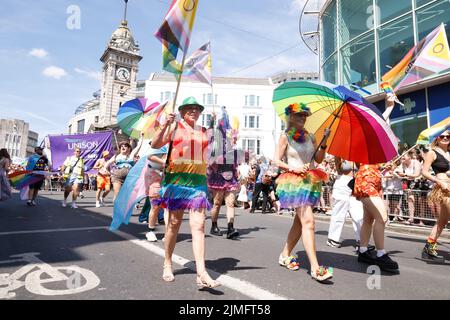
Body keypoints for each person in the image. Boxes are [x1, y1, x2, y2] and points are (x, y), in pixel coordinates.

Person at [152, 97, 220, 288]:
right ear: (182, 112)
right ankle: (167, 262)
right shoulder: (174, 127)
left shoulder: (204, 132)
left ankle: (202, 272)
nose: (193, 111)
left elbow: (212, 153)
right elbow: (155, 144)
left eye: (197, 109)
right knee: (174, 225)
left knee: (198, 226)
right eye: (189, 108)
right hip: (177, 183)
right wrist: (165, 124)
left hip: (198, 184)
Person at [274, 102, 333, 283]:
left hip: (311, 181)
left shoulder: (311, 136)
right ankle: (315, 268)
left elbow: (318, 159)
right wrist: (293, 168)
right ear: (290, 117)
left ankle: (284, 255)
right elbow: (276, 160)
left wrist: (323, 142)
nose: (302, 118)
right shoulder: (285, 137)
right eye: (299, 115)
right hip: (294, 182)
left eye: (304, 115)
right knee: (308, 221)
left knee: (299, 223)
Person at [354, 94, 399, 273]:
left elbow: (379, 124)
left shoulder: (367, 137)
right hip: (366, 180)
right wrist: (388, 108)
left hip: (373, 178)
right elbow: (377, 124)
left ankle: (363, 251)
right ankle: (381, 254)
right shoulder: (360, 134)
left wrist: (389, 108)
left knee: (369, 219)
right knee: (382, 217)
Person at [420, 130, 449, 262]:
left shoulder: (449, 153)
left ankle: (429, 247)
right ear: (437, 138)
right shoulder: (432, 152)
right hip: (444, 189)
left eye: (448, 136)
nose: (445, 138)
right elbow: (424, 172)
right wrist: (439, 181)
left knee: (442, 221)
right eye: (442, 136)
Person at [327, 157, 365, 249]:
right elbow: (339, 169)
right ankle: (332, 238)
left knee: (358, 214)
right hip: (342, 184)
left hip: (354, 184)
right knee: (339, 213)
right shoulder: (339, 155)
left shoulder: (358, 155)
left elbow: (360, 169)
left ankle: (361, 240)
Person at [143, 143, 168, 242]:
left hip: (168, 176)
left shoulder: (176, 142)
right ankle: (151, 231)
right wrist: (163, 161)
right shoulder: (158, 141)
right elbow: (150, 156)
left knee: (168, 207)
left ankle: (168, 233)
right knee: (155, 206)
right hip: (154, 175)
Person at [108, 133, 144, 201]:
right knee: (117, 194)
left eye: (125, 146)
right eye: (121, 146)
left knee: (127, 195)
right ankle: (117, 210)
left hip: (129, 178)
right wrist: (107, 171)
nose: (123, 147)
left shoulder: (131, 155)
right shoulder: (116, 156)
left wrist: (141, 137)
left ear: (129, 148)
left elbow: (138, 146)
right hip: (117, 177)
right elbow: (107, 164)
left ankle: (124, 209)